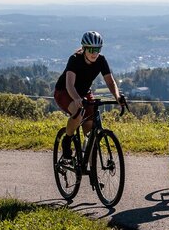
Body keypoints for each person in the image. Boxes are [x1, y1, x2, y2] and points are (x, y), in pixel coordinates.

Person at [54, 31, 126, 160]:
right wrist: (76, 99)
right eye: (91, 49)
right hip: (64, 91)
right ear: (84, 48)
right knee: (78, 112)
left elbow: (110, 81)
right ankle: (67, 140)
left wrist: (118, 97)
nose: (94, 53)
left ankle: (86, 160)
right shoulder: (75, 59)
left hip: (84, 93)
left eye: (97, 49)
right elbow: (69, 85)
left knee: (90, 126)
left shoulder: (101, 60)